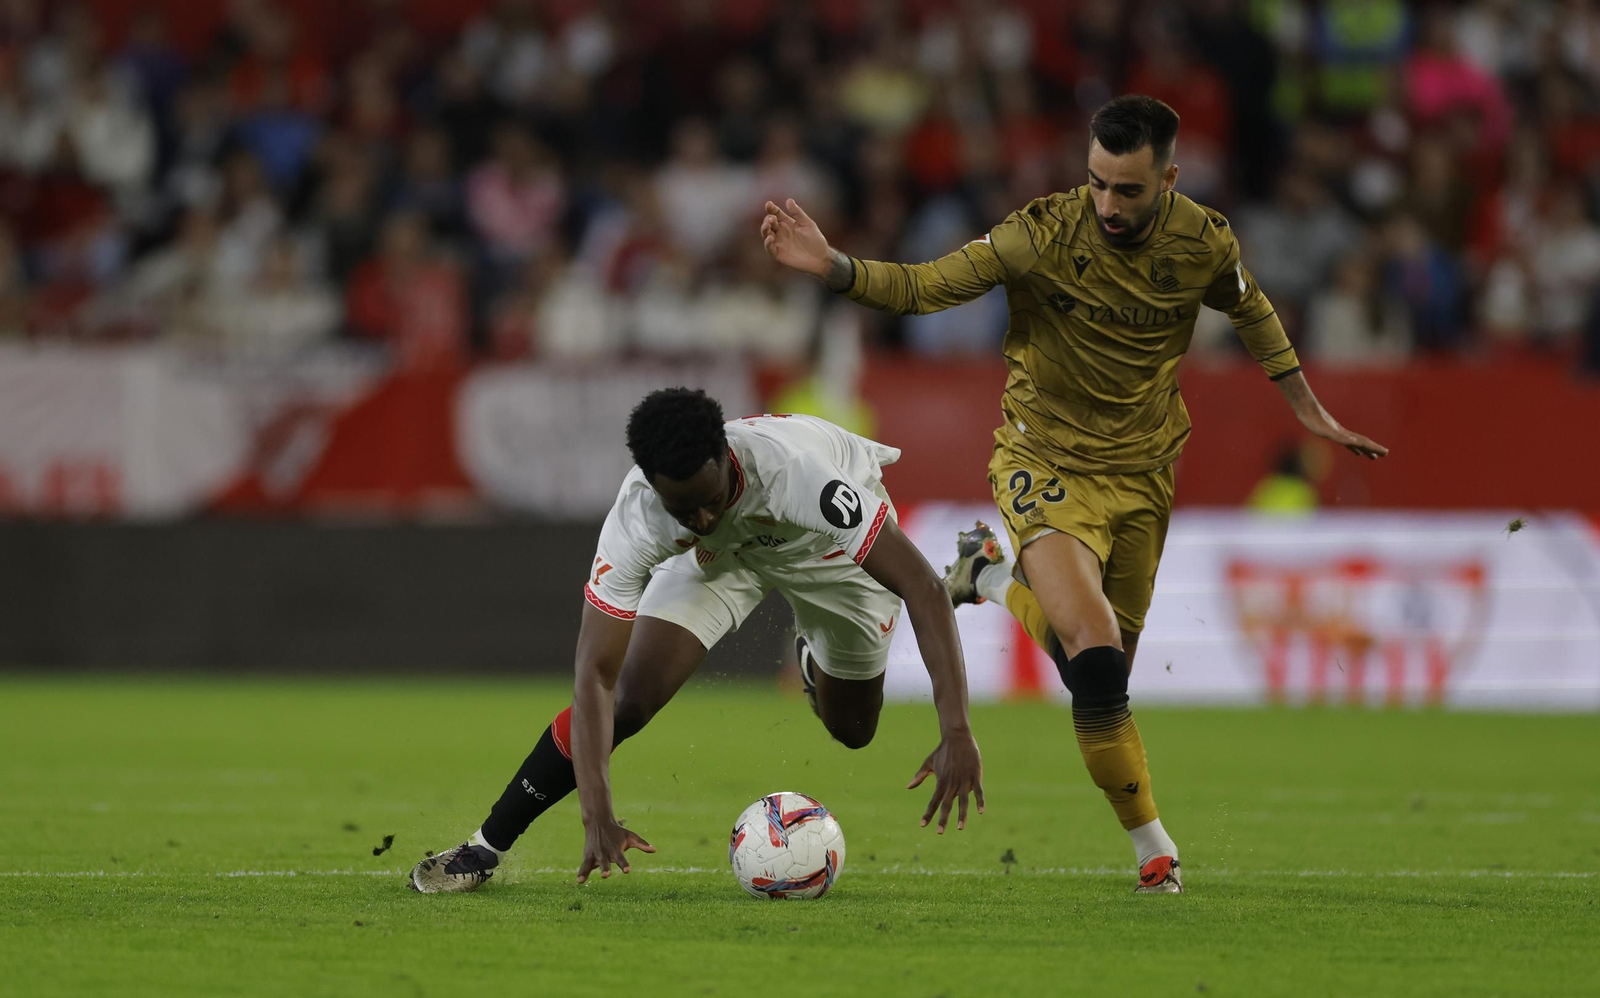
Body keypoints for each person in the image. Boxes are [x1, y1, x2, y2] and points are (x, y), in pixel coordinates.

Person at [761, 95, 1388, 894]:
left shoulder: (1203, 240)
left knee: (1101, 673)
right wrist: (834, 266)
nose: (1107, 204)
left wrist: (1304, 405)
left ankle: (987, 577)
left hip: (1145, 473)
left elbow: (1250, 305)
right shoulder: (1039, 234)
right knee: (1093, 656)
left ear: (1169, 177)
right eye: (1096, 183)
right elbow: (923, 288)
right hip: (1043, 462)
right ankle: (1152, 848)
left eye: (1128, 190)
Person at [411, 389, 984, 892]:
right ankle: (484, 847)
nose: (705, 515)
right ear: (654, 486)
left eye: (713, 497)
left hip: (823, 552)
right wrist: (597, 812)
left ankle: (816, 659)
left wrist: (955, 728)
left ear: (725, 456)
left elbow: (920, 588)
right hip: (717, 562)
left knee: (854, 731)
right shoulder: (641, 516)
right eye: (685, 508)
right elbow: (594, 674)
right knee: (630, 698)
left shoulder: (797, 475)